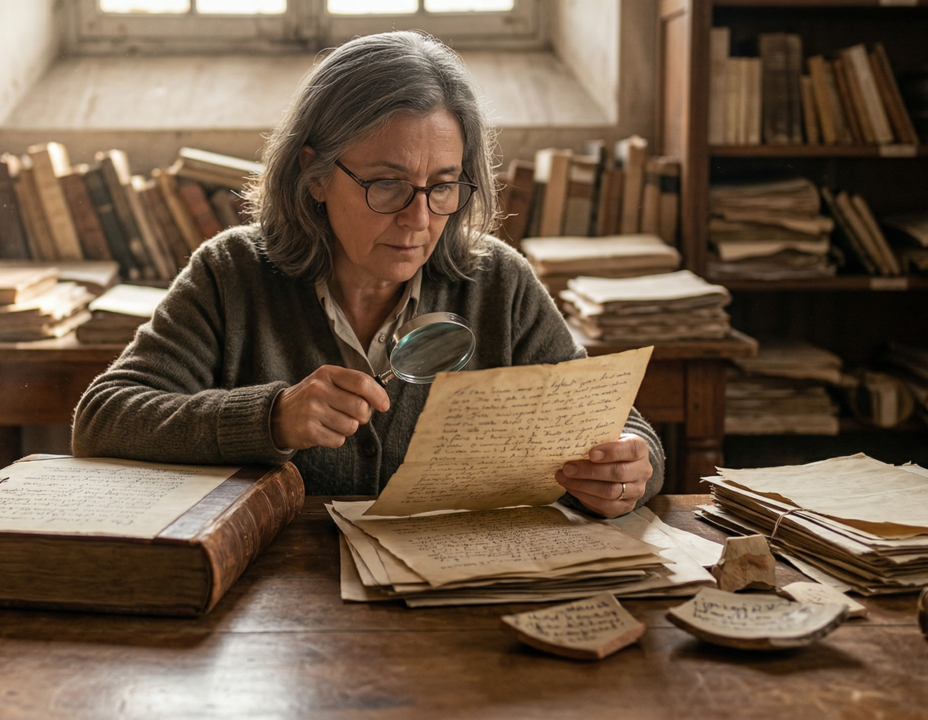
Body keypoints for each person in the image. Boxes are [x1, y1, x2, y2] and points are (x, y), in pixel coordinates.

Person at [73, 31, 663, 518]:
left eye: (443, 186)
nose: (418, 218)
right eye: (387, 184)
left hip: (455, 604)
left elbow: (616, 423)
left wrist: (634, 465)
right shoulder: (232, 274)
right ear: (316, 174)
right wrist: (272, 417)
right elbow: (104, 418)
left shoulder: (497, 283)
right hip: (279, 602)